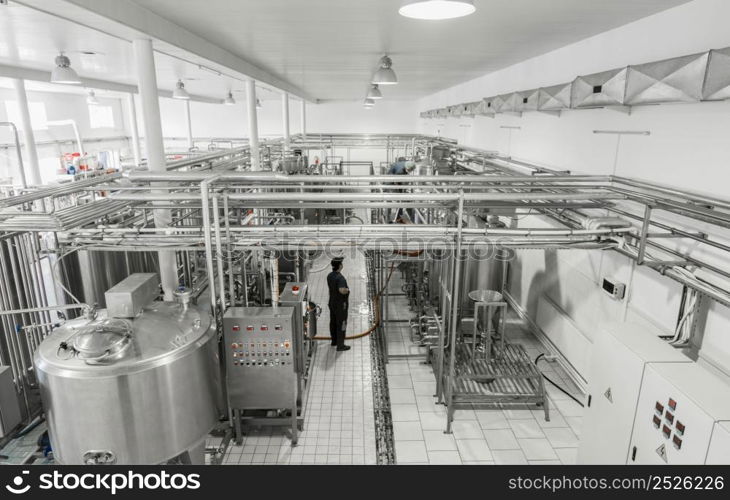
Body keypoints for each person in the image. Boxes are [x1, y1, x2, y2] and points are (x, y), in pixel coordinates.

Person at [327, 258, 351, 351]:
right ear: (340, 266)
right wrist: (347, 290)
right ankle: (340, 345)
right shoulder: (340, 278)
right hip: (340, 305)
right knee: (341, 323)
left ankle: (334, 341)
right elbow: (341, 290)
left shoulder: (330, 275)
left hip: (332, 302)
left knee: (333, 322)